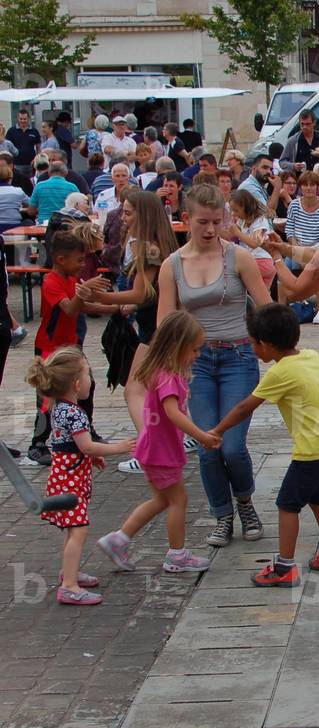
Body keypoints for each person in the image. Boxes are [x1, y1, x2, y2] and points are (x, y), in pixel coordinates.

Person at [157, 184, 273, 547]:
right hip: (197, 361)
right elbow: (165, 323)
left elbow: (267, 309)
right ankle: (222, 514)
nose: (210, 230)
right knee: (207, 442)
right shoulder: (171, 266)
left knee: (232, 446)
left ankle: (245, 501)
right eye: (202, 222)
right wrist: (163, 371)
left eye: (217, 221)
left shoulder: (238, 257)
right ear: (186, 220)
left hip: (238, 356)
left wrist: (281, 352)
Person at [210, 303, 319, 586]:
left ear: (265, 344)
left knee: (287, 505)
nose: (253, 349)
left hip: (313, 450)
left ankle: (285, 568)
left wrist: (217, 430)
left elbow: (243, 408)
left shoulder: (280, 372)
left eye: (253, 343)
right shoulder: (311, 356)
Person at [96, 312, 216, 573]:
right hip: (161, 452)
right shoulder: (169, 377)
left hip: (154, 449)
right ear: (178, 346)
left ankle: (119, 539)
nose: (197, 355)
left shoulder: (161, 371)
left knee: (162, 500)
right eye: (194, 349)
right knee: (178, 500)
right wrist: (201, 435)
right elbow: (173, 413)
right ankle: (177, 555)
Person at [25, 348, 136, 604]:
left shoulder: (59, 408)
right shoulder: (76, 413)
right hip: (71, 478)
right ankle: (70, 586)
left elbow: (68, 443)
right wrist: (117, 448)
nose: (90, 380)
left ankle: (69, 572)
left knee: (72, 527)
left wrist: (90, 455)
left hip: (66, 474)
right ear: (76, 384)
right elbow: (87, 445)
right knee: (79, 529)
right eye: (88, 374)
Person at [90, 191, 181, 471]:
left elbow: (141, 292)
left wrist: (101, 298)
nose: (124, 217)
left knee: (135, 390)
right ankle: (162, 444)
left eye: (128, 212)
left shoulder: (149, 247)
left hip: (154, 326)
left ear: (143, 215)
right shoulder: (154, 244)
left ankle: (150, 449)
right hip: (153, 323)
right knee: (154, 389)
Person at [227, 188, 275, 288]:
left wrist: (237, 232)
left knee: (231, 275)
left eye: (236, 210)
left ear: (246, 207)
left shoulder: (260, 221)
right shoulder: (242, 221)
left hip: (262, 261)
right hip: (253, 260)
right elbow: (230, 236)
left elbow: (254, 243)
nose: (233, 213)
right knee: (262, 299)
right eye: (232, 210)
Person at [285, 170, 319, 251]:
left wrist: (310, 252)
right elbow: (289, 231)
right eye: (305, 185)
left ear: (317, 187)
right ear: (300, 187)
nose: (308, 188)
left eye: (312, 185)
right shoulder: (294, 205)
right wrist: (298, 250)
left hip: (317, 251)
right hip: (296, 249)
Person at [8, 109, 40, 176]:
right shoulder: (11, 131)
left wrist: (36, 159)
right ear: (18, 118)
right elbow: (8, 147)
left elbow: (38, 148)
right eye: (21, 119)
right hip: (17, 164)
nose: (23, 121)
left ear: (28, 119)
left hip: (31, 164)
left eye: (25, 119)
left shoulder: (34, 131)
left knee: (31, 183)